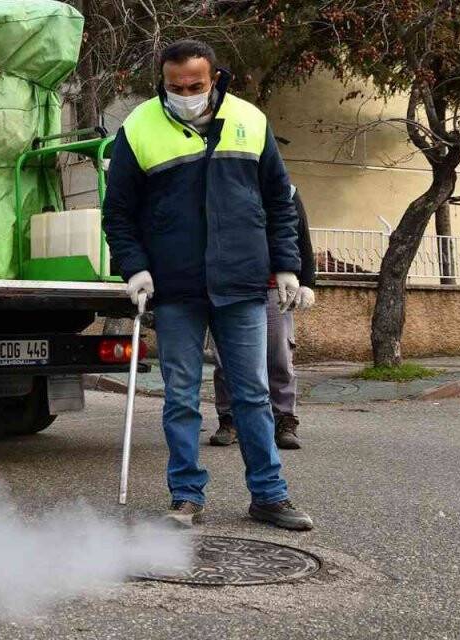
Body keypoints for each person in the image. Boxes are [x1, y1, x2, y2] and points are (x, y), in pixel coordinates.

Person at [101, 39, 314, 531]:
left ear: (214, 77)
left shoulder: (250, 120)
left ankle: (269, 495)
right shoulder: (138, 128)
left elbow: (280, 202)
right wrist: (133, 267)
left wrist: (288, 267)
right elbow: (118, 212)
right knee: (179, 396)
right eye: (175, 87)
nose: (185, 93)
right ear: (164, 81)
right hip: (175, 289)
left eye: (195, 85)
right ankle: (186, 497)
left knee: (253, 395)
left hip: (241, 283)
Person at [211, 187, 317, 450]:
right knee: (226, 359)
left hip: (273, 286)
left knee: (278, 356)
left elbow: (300, 235)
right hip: (230, 285)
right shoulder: (224, 184)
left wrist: (306, 281)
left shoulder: (286, 190)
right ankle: (229, 419)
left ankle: (284, 420)